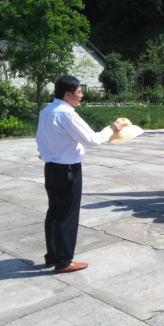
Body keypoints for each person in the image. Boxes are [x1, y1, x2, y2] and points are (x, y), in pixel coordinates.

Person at [36, 75, 123, 273]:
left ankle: (53, 256)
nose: (81, 95)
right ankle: (64, 261)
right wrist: (110, 129)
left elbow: (39, 139)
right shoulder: (66, 114)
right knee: (67, 215)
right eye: (79, 92)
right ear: (67, 94)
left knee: (54, 213)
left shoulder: (47, 111)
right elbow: (91, 139)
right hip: (67, 169)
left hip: (51, 167)